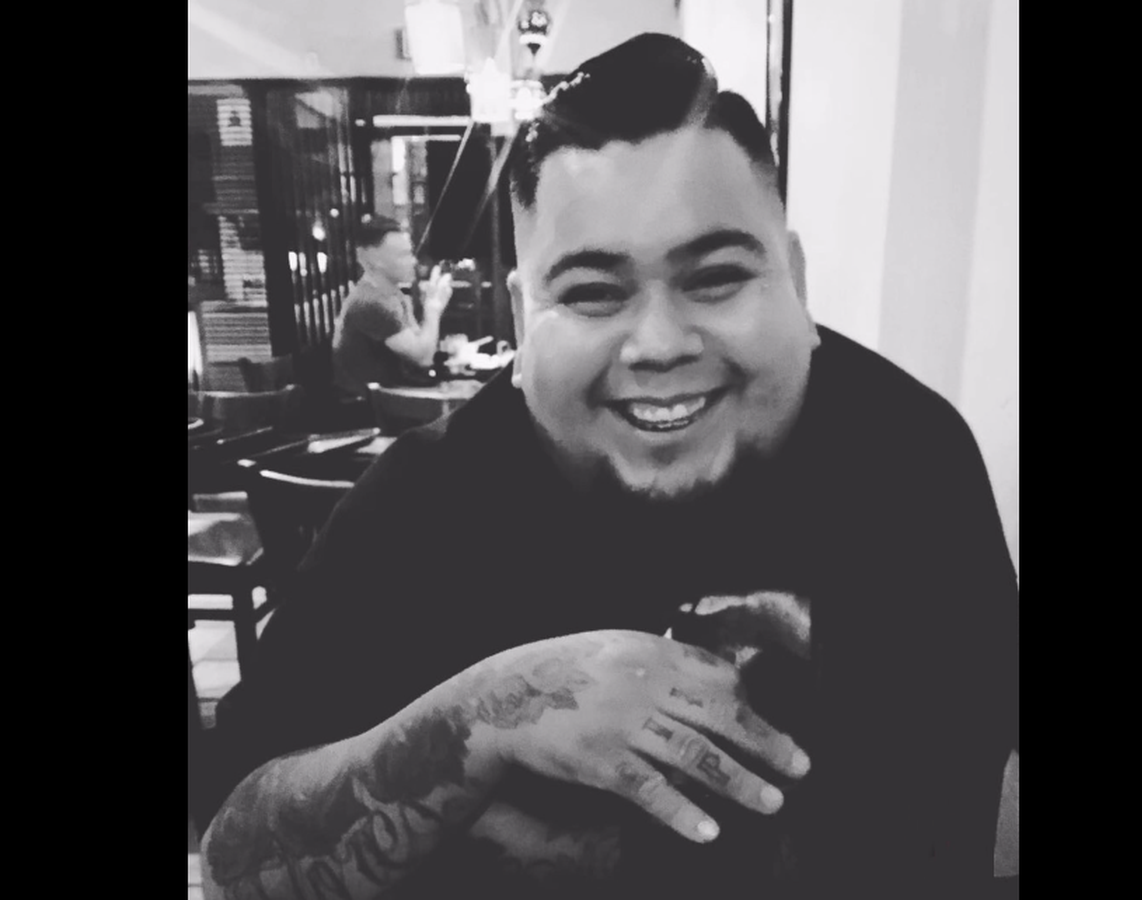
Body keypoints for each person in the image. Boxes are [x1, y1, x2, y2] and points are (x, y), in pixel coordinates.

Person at [197, 33, 1018, 900]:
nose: (658, 344)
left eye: (716, 276)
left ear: (798, 283)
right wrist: (486, 711)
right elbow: (232, 862)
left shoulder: (907, 457)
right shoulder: (428, 499)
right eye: (592, 292)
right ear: (523, 324)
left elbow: (944, 827)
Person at [331, 215, 454, 398]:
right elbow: (423, 358)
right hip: (363, 407)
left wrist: (432, 307)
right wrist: (433, 309)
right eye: (403, 255)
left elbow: (420, 343)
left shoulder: (394, 295)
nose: (413, 261)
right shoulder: (371, 302)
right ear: (374, 258)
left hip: (389, 398)